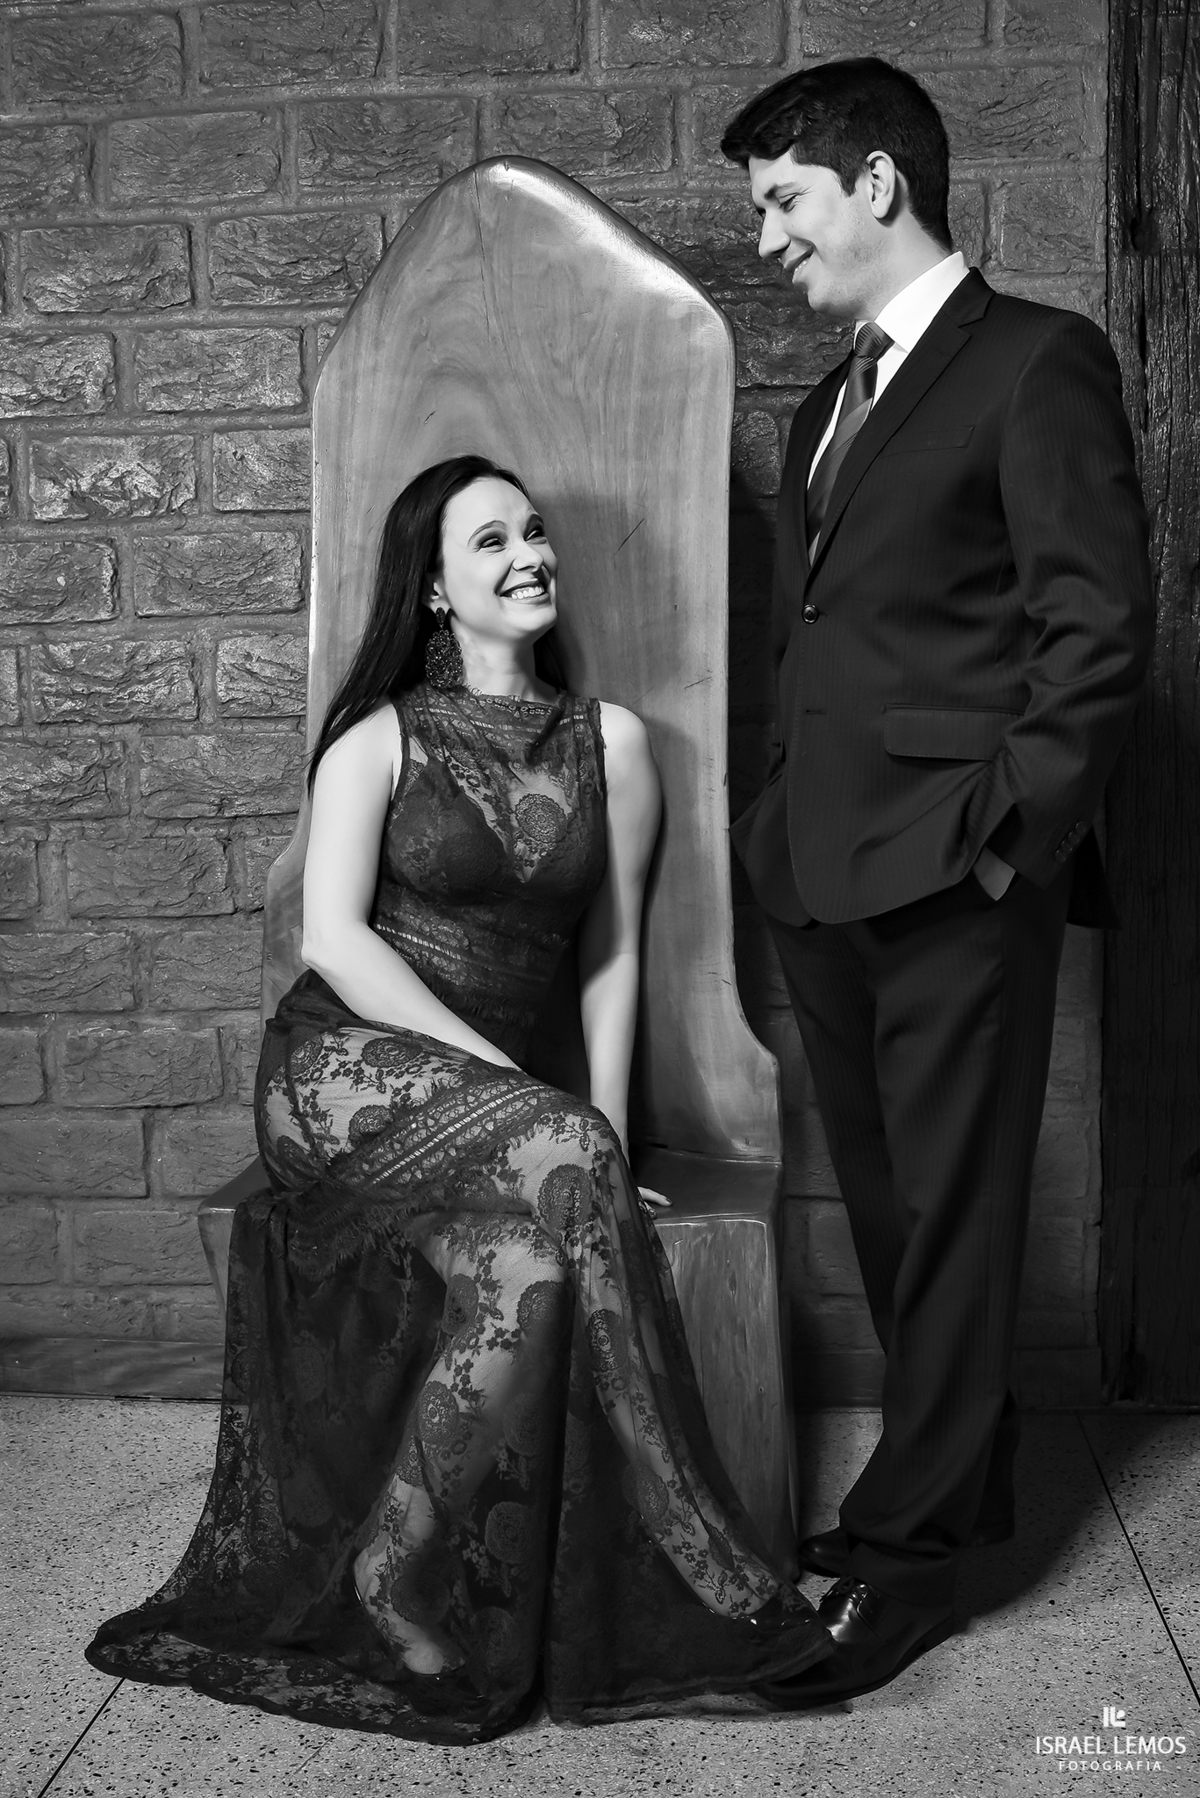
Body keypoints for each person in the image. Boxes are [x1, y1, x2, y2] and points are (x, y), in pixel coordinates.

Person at [86, 454, 830, 1742]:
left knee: (525, 1276)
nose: (528, 555)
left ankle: (390, 1567)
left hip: (496, 1117)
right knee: (557, 1155)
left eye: (534, 533)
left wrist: (599, 1136)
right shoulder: (378, 739)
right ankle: (699, 1551)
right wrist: (526, 1102)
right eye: (490, 543)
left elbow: (609, 958)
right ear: (433, 590)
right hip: (342, 1079)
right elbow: (333, 940)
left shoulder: (615, 746)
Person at [721, 59, 1152, 1704]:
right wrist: (776, 824)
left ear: (880, 182)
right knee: (900, 1210)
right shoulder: (822, 408)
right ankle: (961, 1480)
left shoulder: (1039, 360)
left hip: (958, 875)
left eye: (785, 200)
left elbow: (1096, 632)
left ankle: (907, 1563)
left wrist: (1002, 847)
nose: (768, 238)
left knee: (960, 1214)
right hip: (820, 872)